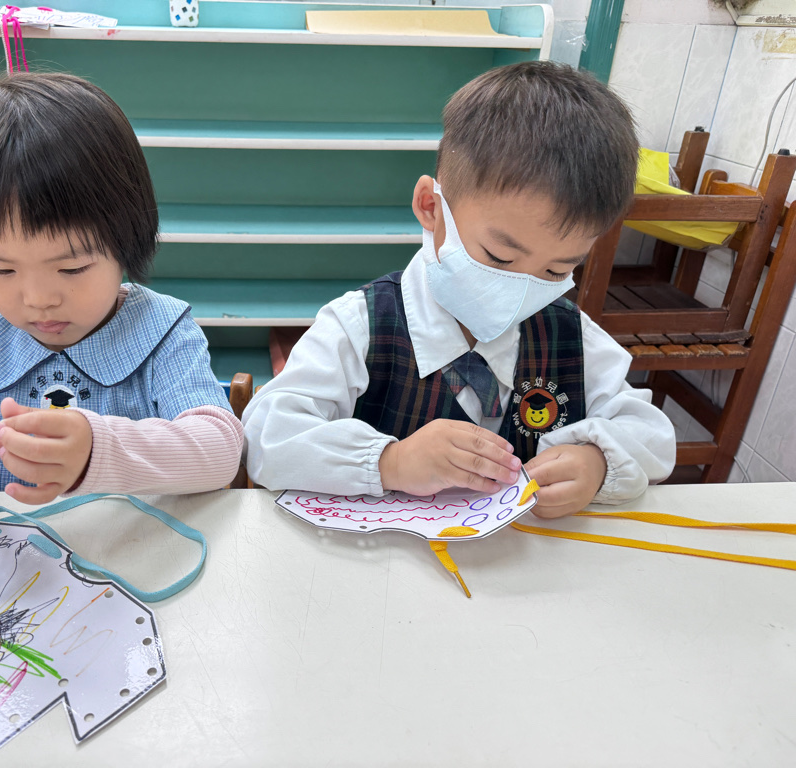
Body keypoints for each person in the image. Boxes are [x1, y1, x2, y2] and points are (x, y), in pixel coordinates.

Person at [242, 61, 675, 518]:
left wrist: (599, 462)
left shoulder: (570, 337)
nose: (521, 287)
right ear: (431, 206)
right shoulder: (361, 326)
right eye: (500, 258)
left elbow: (653, 436)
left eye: (556, 271)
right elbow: (266, 436)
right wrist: (389, 462)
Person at [0, 72, 242, 511]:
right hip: (4, 550)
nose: (39, 299)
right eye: (2, 269)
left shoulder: (161, 331)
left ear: (127, 241)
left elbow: (220, 450)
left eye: (72, 268)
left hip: (136, 547)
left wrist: (98, 451)